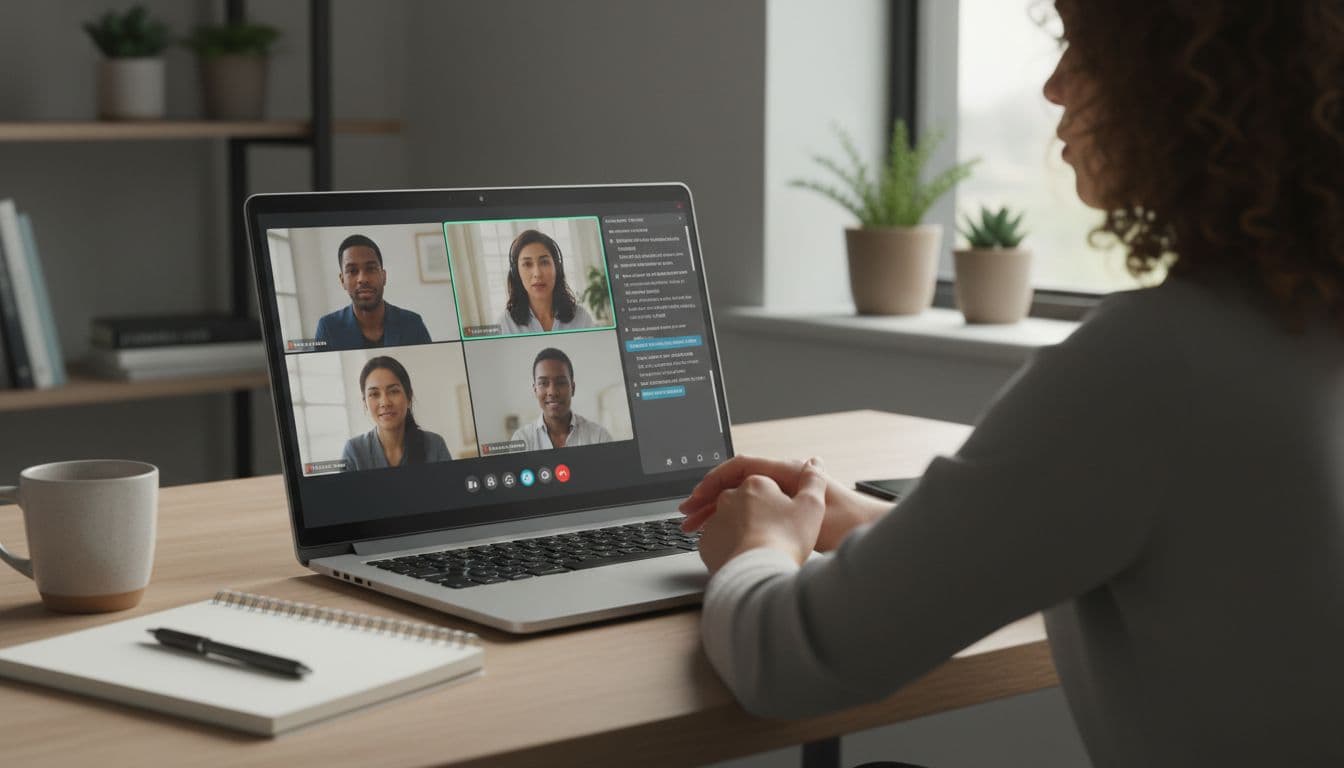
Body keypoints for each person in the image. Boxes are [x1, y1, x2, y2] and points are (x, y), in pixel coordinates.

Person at [681, 2, 1344, 766]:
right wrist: (853, 521)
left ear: (1185, 88)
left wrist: (755, 545)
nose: (1055, 88)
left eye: (1084, 50)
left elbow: (787, 662)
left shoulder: (1155, 364)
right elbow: (1084, 540)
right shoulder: (1297, 329)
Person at [315, 234, 432, 350]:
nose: (362, 279)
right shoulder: (328, 328)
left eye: (370, 269)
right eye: (352, 271)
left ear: (384, 276)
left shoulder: (412, 323)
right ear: (342, 281)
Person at [341, 356, 451, 470]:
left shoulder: (435, 445)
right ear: (365, 403)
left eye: (393, 391)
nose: (385, 402)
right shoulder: (353, 451)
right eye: (374, 394)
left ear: (409, 397)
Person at [496, 229, 597, 334]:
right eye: (527, 264)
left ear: (556, 268)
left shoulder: (581, 318)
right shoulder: (505, 324)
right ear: (517, 273)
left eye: (544, 262)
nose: (537, 273)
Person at [510, 347, 614, 450]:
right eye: (543, 383)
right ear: (535, 390)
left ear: (572, 388)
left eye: (560, 383)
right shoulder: (522, 440)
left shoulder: (599, 437)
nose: (552, 392)